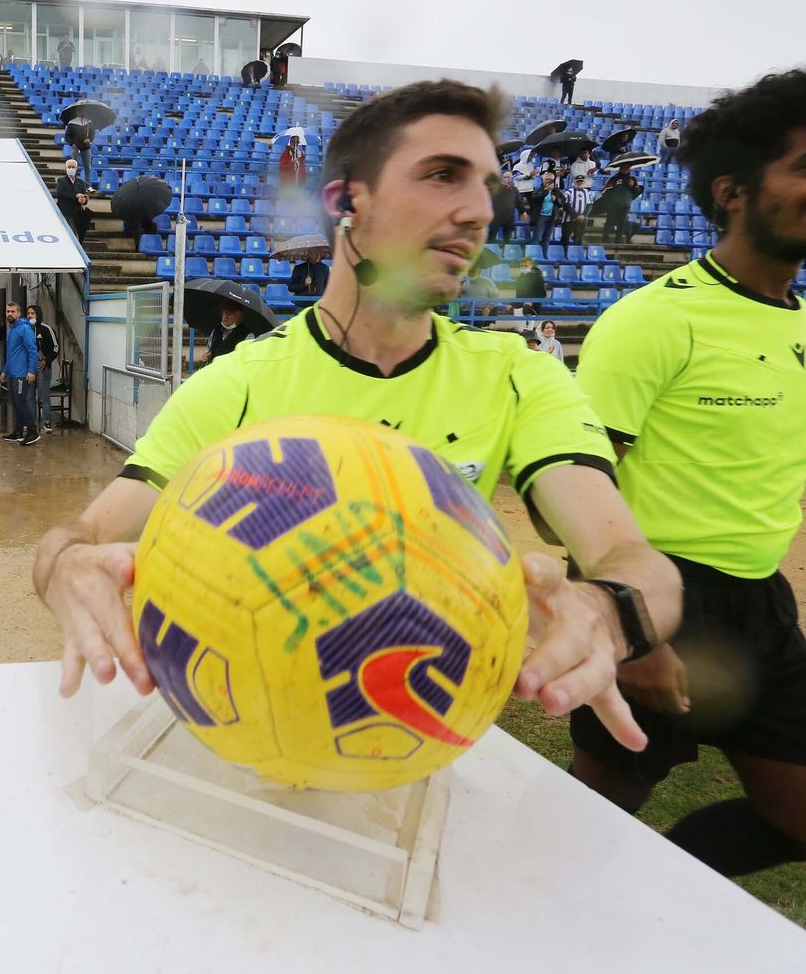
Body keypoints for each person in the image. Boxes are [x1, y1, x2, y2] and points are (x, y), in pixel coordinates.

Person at [34, 79, 682, 753]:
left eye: (486, 186)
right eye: (441, 176)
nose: (479, 212)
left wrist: (609, 610)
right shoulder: (240, 385)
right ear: (346, 201)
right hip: (252, 734)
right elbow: (75, 537)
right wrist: (66, 572)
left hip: (409, 743)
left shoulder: (519, 374)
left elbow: (636, 561)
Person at [570, 69, 806, 879]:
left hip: (763, 604)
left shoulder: (798, 322)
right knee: (591, 822)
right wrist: (626, 627)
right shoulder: (654, 320)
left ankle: (666, 894)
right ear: (734, 191)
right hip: (661, 596)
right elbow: (575, 485)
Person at [2, 301, 39, 445]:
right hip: (13, 373)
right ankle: (18, 432)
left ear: (18, 313)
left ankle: (32, 432)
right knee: (16, 404)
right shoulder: (11, 330)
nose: (10, 314)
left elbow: (32, 351)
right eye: (8, 311)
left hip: (22, 374)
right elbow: (12, 353)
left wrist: (31, 371)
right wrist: (5, 370)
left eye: (13, 311)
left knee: (22, 403)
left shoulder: (25, 329)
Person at [28, 304, 59, 433]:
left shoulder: (47, 329)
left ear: (38, 314)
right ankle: (31, 423)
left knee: (44, 396)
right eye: (28, 313)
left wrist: (47, 360)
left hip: (44, 369)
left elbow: (56, 347)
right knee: (30, 397)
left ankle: (46, 421)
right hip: (29, 370)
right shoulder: (25, 329)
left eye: (33, 313)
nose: (30, 316)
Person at [55, 158, 94, 243]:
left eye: (73, 167)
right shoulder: (61, 181)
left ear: (76, 169)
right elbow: (60, 193)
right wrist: (75, 196)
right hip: (64, 211)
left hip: (76, 213)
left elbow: (84, 195)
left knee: (75, 235)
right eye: (69, 167)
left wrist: (84, 200)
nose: (71, 169)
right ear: (66, 168)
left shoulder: (80, 182)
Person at [595, 172, 642, 243]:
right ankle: (606, 239)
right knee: (611, 222)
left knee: (634, 225)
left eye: (632, 182)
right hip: (613, 208)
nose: (631, 183)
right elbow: (605, 191)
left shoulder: (631, 192)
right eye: (630, 181)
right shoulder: (615, 184)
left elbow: (638, 190)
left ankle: (626, 240)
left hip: (623, 212)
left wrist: (635, 187)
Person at [532, 170, 566, 246]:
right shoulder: (538, 190)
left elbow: (563, 203)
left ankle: (544, 255)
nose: (548, 181)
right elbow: (535, 199)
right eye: (547, 179)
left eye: (551, 180)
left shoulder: (557, 191)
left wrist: (556, 200)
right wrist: (546, 191)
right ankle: (531, 255)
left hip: (552, 217)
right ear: (543, 180)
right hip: (541, 217)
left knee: (546, 239)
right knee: (536, 238)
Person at [562, 174, 594, 249]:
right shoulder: (568, 192)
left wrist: (583, 215)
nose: (579, 183)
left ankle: (577, 257)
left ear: (583, 182)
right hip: (568, 220)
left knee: (578, 240)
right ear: (574, 182)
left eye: (581, 181)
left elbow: (589, 205)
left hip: (582, 220)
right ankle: (563, 257)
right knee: (565, 239)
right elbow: (566, 205)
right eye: (578, 181)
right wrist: (576, 216)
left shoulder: (588, 193)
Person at [490, 169, 518, 243]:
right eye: (505, 177)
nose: (507, 179)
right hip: (496, 217)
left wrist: (523, 211)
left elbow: (519, 202)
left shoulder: (514, 189)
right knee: (491, 238)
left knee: (507, 239)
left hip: (509, 217)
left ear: (512, 178)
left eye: (508, 177)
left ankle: (505, 253)